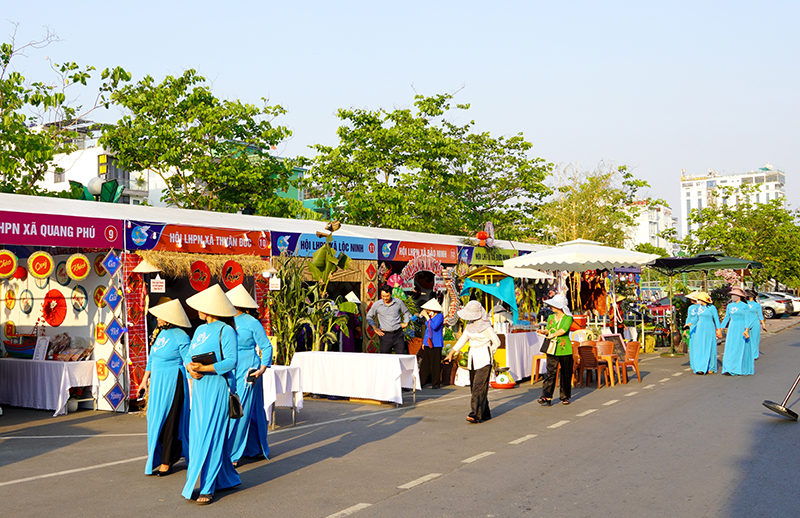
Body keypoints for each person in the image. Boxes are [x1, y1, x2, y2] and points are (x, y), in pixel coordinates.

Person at [182, 284, 241, 505]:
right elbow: (189, 355)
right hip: (199, 389)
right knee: (199, 435)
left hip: (218, 387)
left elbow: (231, 362)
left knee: (214, 436)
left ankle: (207, 487)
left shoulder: (227, 331)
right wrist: (190, 367)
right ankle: (226, 478)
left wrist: (203, 369)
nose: (198, 309)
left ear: (210, 308)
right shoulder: (198, 330)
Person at [140, 298, 192, 476]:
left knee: (170, 420)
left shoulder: (181, 335)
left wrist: (194, 382)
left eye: (161, 316)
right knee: (155, 419)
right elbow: (151, 359)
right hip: (157, 382)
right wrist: (144, 381)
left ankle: (166, 460)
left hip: (173, 380)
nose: (158, 319)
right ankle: (165, 454)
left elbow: (188, 361)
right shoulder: (158, 333)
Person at [225, 284, 272, 468]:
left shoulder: (252, 322)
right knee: (246, 409)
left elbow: (267, 346)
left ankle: (234, 453)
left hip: (248, 370)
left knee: (239, 410)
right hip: (231, 367)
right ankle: (254, 448)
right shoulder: (226, 321)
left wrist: (261, 369)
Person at [445, 300, 500, 423]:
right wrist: (451, 353)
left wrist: (491, 351)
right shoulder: (469, 326)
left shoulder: (486, 326)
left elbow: (496, 341)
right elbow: (462, 341)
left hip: (484, 358)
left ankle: (475, 414)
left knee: (477, 387)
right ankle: (485, 413)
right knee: (478, 388)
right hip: (473, 358)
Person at [536, 294, 574, 406]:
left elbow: (563, 330)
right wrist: (544, 332)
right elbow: (548, 329)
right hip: (552, 348)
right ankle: (546, 395)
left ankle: (565, 396)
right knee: (550, 372)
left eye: (554, 305)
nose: (552, 307)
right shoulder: (551, 318)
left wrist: (552, 335)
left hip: (564, 348)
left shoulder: (568, 318)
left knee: (566, 373)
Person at [366, 284, 412, 354]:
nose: (385, 298)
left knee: (401, 356)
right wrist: (375, 328)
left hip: (398, 334)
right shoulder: (377, 304)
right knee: (385, 358)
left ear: (391, 294)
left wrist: (406, 322)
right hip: (385, 336)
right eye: (383, 296)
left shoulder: (398, 302)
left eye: (387, 296)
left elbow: (406, 312)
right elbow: (369, 316)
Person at [718, 287, 752, 376]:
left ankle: (737, 368)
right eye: (732, 295)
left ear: (739, 296)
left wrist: (746, 330)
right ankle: (728, 368)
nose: (733, 296)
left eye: (735, 295)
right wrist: (721, 328)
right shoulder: (730, 306)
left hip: (741, 328)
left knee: (739, 348)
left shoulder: (745, 306)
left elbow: (747, 319)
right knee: (730, 348)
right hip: (732, 328)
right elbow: (726, 318)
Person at [684, 291, 720, 375]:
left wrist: (719, 329)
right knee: (700, 347)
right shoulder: (699, 308)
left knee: (710, 346)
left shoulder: (712, 308)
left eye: (699, 299)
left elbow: (716, 319)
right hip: (700, 328)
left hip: (709, 328)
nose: (698, 300)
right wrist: (688, 325)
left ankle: (711, 366)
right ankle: (700, 367)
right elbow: (695, 318)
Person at [419, 298, 444, 389]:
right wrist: (424, 342)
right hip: (427, 343)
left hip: (436, 343)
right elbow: (427, 331)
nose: (428, 312)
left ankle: (435, 383)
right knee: (425, 363)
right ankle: (421, 382)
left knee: (435, 364)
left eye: (429, 310)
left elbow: (434, 326)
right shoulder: (430, 318)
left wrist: (427, 317)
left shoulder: (439, 316)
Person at [745, 289, 766, 361]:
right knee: (746, 339)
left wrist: (763, 324)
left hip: (755, 322)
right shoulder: (745, 304)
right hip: (746, 322)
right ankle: (747, 354)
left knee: (755, 339)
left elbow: (760, 315)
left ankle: (754, 355)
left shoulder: (757, 305)